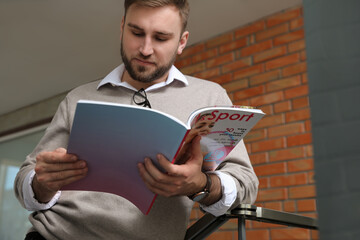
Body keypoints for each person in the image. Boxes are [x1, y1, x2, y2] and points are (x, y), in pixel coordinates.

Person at [14, 0, 259, 239]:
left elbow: (245, 185)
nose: (145, 49)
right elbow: (25, 180)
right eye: (136, 32)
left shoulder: (210, 97)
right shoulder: (78, 98)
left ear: (182, 42)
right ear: (122, 28)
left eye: (161, 38)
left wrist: (200, 184)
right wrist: (43, 184)